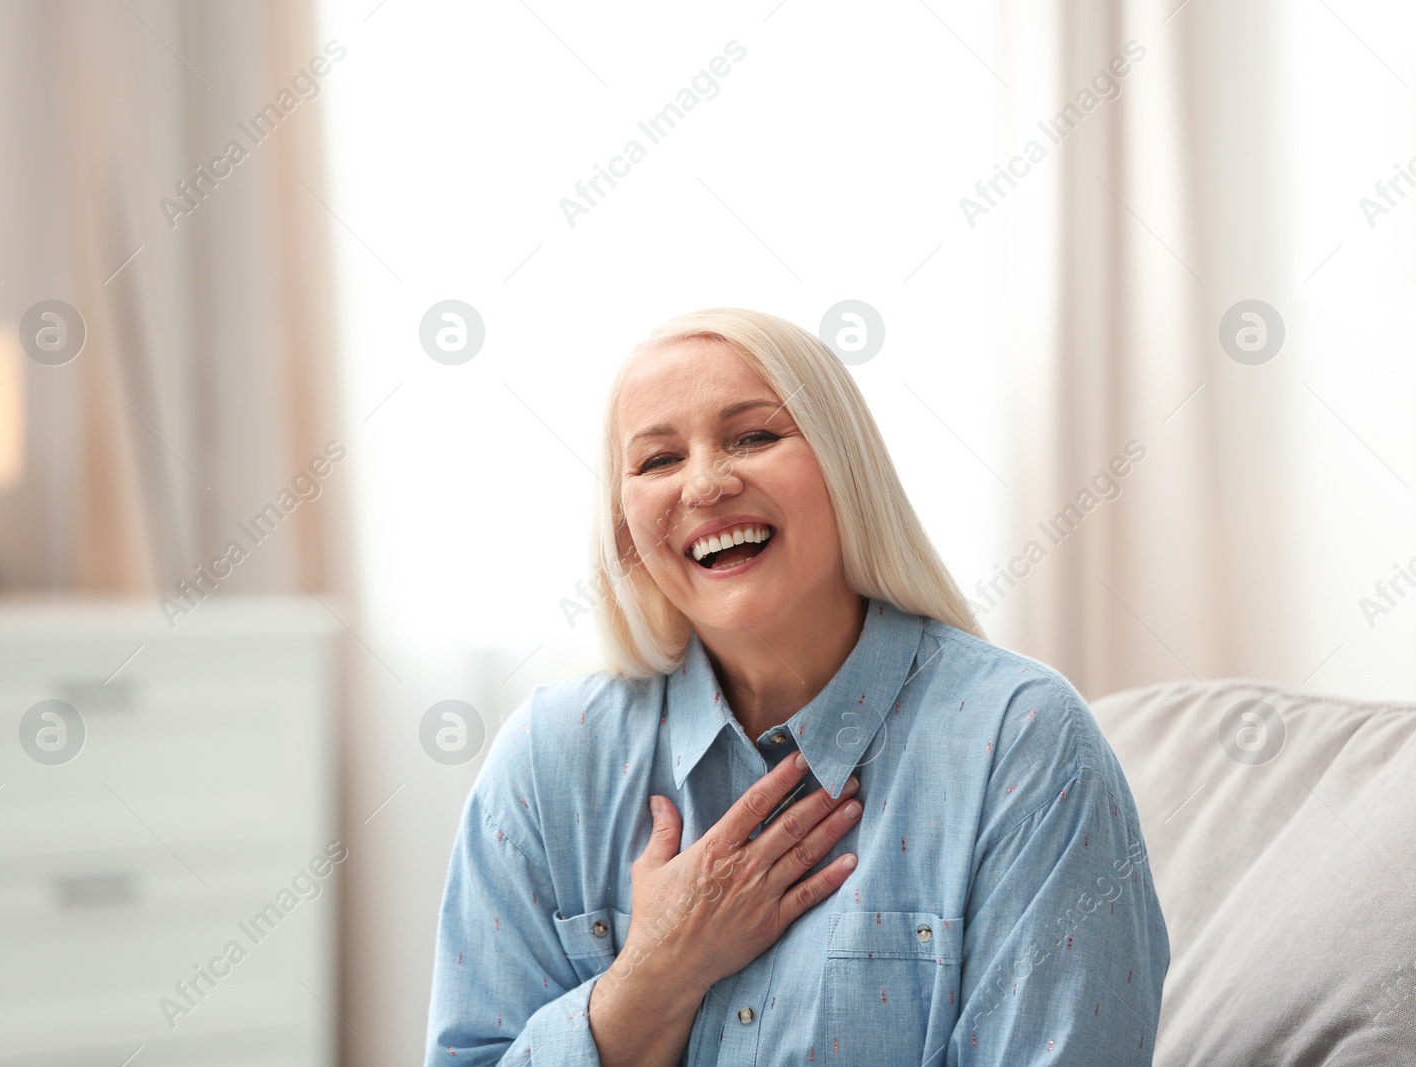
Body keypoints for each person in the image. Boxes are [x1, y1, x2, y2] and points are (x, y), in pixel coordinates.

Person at [424, 307, 1168, 1065]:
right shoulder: (546, 762)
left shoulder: (1023, 745)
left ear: (846, 467)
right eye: (657, 461)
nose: (707, 483)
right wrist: (657, 972)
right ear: (625, 527)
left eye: (754, 435)